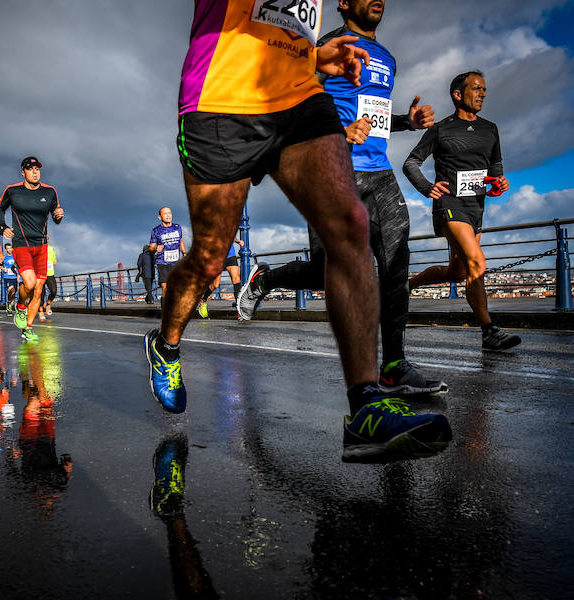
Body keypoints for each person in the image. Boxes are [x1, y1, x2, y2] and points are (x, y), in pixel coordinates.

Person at [145, 0, 451, 462]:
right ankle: (165, 344)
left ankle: (365, 405)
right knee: (211, 256)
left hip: (298, 96)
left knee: (350, 228)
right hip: (221, 98)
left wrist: (313, 59)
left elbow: (282, 22)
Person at [235, 0, 446, 396]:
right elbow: (289, 102)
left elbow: (374, 112)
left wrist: (407, 122)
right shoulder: (324, 47)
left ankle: (394, 367)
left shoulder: (387, 57)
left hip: (380, 174)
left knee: (396, 264)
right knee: (326, 271)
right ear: (343, 3)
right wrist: (336, 129)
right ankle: (267, 278)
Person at [404, 70, 519, 351]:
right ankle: (488, 331)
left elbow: (496, 167)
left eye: (484, 90)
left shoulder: (490, 129)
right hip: (449, 205)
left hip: (476, 207)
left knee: (456, 272)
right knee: (477, 263)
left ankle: (408, 284)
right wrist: (427, 187)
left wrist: (500, 181)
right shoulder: (442, 129)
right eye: (477, 88)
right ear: (458, 94)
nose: (483, 94)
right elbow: (410, 162)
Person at [0, 155, 64, 342]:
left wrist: (59, 215)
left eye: (37, 169)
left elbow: (55, 215)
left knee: (39, 290)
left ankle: (28, 328)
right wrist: (3, 227)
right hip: (21, 244)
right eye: (31, 169)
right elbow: (0, 210)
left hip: (41, 245)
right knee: (30, 283)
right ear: (23, 172)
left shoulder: (50, 192)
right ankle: (20, 305)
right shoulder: (12, 191)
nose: (35, 172)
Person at [148, 207, 185, 306]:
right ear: (160, 217)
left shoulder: (178, 227)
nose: (168, 215)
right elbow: (151, 248)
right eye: (165, 214)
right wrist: (156, 248)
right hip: (163, 263)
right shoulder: (156, 230)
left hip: (176, 262)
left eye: (170, 213)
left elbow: (181, 242)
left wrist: (184, 253)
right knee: (165, 288)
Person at [199, 238, 243, 317]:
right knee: (215, 285)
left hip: (231, 256)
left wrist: (238, 241)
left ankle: (239, 310)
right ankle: (203, 300)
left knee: (236, 280)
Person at [38, 238, 58, 321]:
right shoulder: (38, 249)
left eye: (47, 239)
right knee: (41, 294)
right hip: (40, 274)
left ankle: (48, 303)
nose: (46, 240)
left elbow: (54, 260)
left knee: (54, 291)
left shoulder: (52, 249)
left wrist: (55, 261)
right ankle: (41, 311)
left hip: (50, 274)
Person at [1, 243, 18, 314]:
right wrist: (3, 268)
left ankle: (10, 304)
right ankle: (9, 304)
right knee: (12, 291)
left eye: (10, 248)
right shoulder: (4, 258)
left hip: (15, 277)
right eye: (8, 248)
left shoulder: (15, 257)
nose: (9, 250)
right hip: (7, 277)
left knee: (14, 293)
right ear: (6, 249)